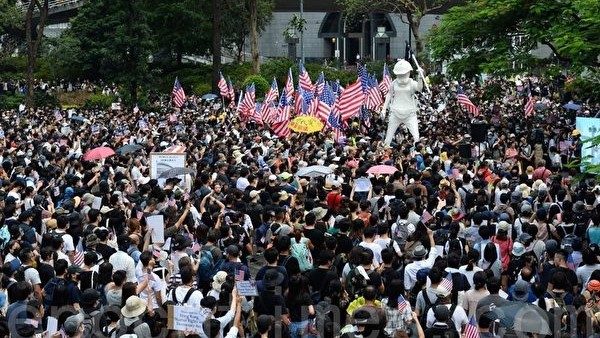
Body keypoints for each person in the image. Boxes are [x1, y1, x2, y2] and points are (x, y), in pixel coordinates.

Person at [381, 59, 424, 146]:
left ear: (408, 73)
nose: (402, 76)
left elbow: (419, 88)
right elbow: (389, 95)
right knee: (388, 138)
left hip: (410, 113)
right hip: (395, 112)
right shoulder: (394, 83)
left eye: (403, 74)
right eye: (400, 74)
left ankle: (416, 153)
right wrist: (384, 109)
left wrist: (420, 76)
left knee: (416, 137)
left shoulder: (412, 83)